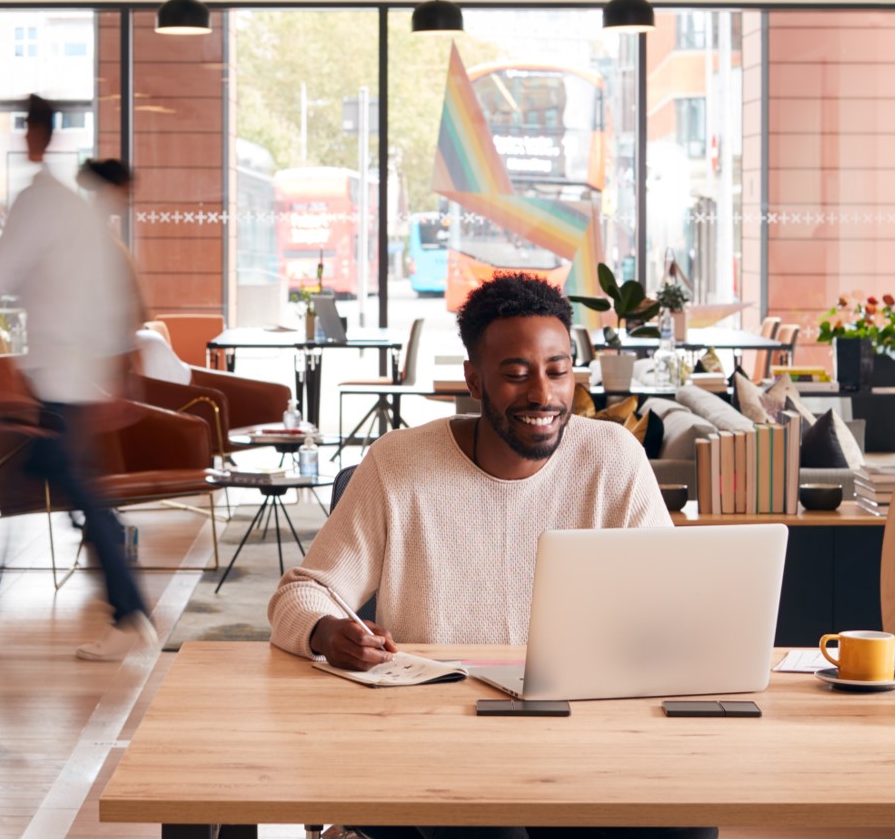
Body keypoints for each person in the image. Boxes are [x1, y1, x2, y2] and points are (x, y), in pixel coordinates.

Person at [267, 274, 706, 839]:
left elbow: (672, 599)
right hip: (435, 741)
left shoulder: (612, 457)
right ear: (474, 379)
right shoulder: (398, 465)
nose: (543, 395)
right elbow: (300, 594)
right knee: (486, 829)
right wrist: (327, 632)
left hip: (581, 738)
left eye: (557, 369)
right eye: (516, 374)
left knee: (685, 826)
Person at [0, 97, 155, 662]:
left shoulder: (42, 204)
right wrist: (118, 377)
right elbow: (108, 302)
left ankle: (128, 611)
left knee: (81, 495)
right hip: (63, 377)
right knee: (47, 482)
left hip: (60, 379)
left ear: (35, 136)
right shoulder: (74, 217)